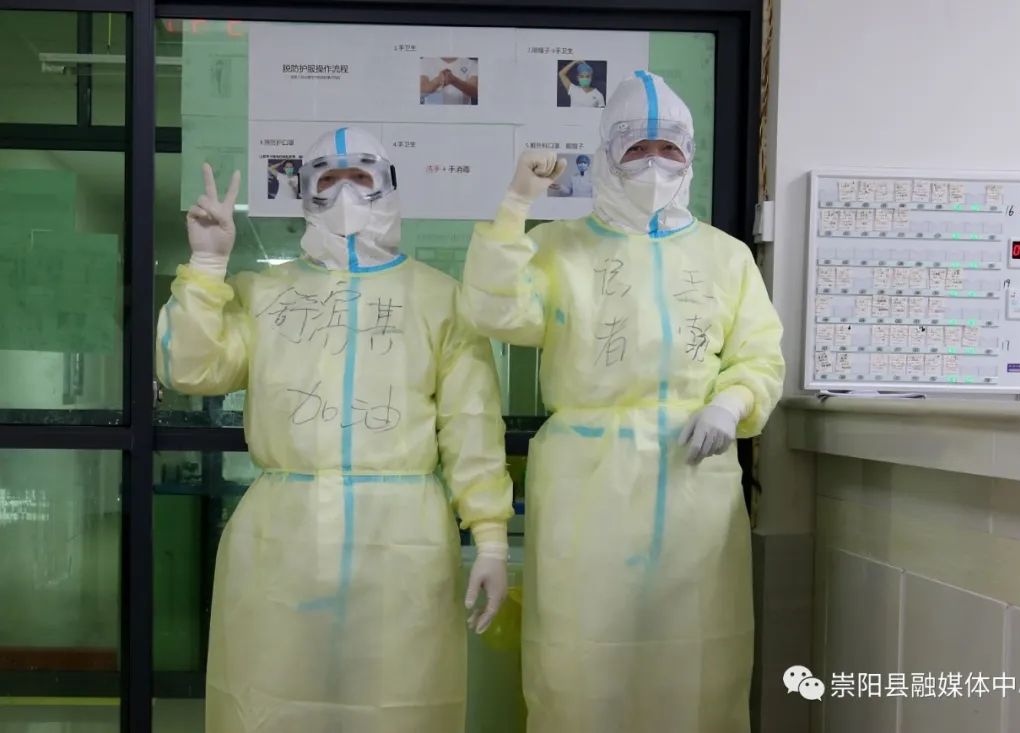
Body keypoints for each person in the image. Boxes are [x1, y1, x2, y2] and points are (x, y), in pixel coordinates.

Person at [158, 126, 513, 732]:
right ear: (305, 193)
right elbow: (190, 368)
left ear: (390, 187)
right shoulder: (264, 293)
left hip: (402, 535)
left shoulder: (440, 299)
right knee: (273, 692)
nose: (346, 193)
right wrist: (208, 264)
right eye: (328, 179)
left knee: (398, 698)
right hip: (283, 531)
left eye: (361, 177)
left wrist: (492, 539)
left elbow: (471, 426)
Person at [462, 71, 784, 732]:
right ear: (606, 155)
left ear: (689, 157)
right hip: (588, 484)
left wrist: (731, 403)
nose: (654, 164)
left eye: (669, 149)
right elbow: (494, 312)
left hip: (694, 485)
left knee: (696, 660)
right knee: (580, 657)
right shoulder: (558, 247)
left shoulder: (726, 258)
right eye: (637, 148)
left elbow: (760, 354)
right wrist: (515, 207)